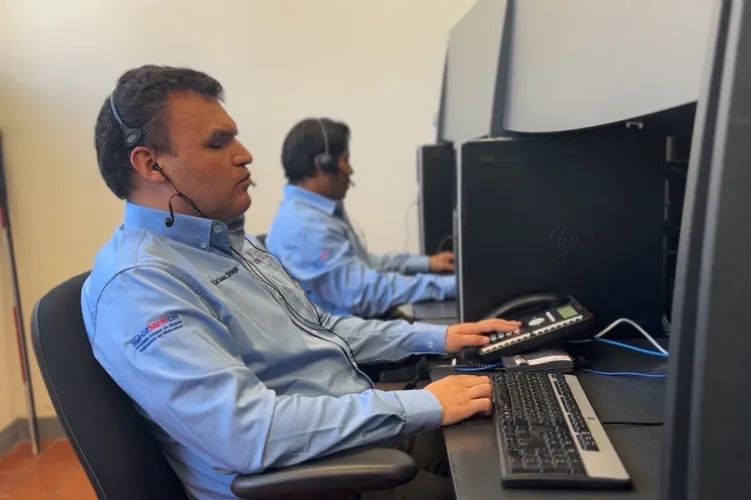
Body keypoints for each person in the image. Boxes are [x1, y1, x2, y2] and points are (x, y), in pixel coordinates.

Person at [82, 65, 520, 500]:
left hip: (349, 440)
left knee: (508, 430)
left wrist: (438, 337)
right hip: (313, 480)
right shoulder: (139, 285)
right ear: (151, 164)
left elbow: (319, 326)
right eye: (218, 142)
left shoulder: (226, 241)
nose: (245, 154)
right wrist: (425, 403)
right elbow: (247, 433)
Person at [266, 117, 456, 319]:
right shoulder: (305, 227)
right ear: (323, 165)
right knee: (461, 334)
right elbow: (365, 294)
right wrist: (448, 286)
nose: (350, 170)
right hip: (349, 335)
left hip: (362, 325)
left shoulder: (315, 212)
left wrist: (428, 263)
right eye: (345, 160)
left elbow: (362, 265)